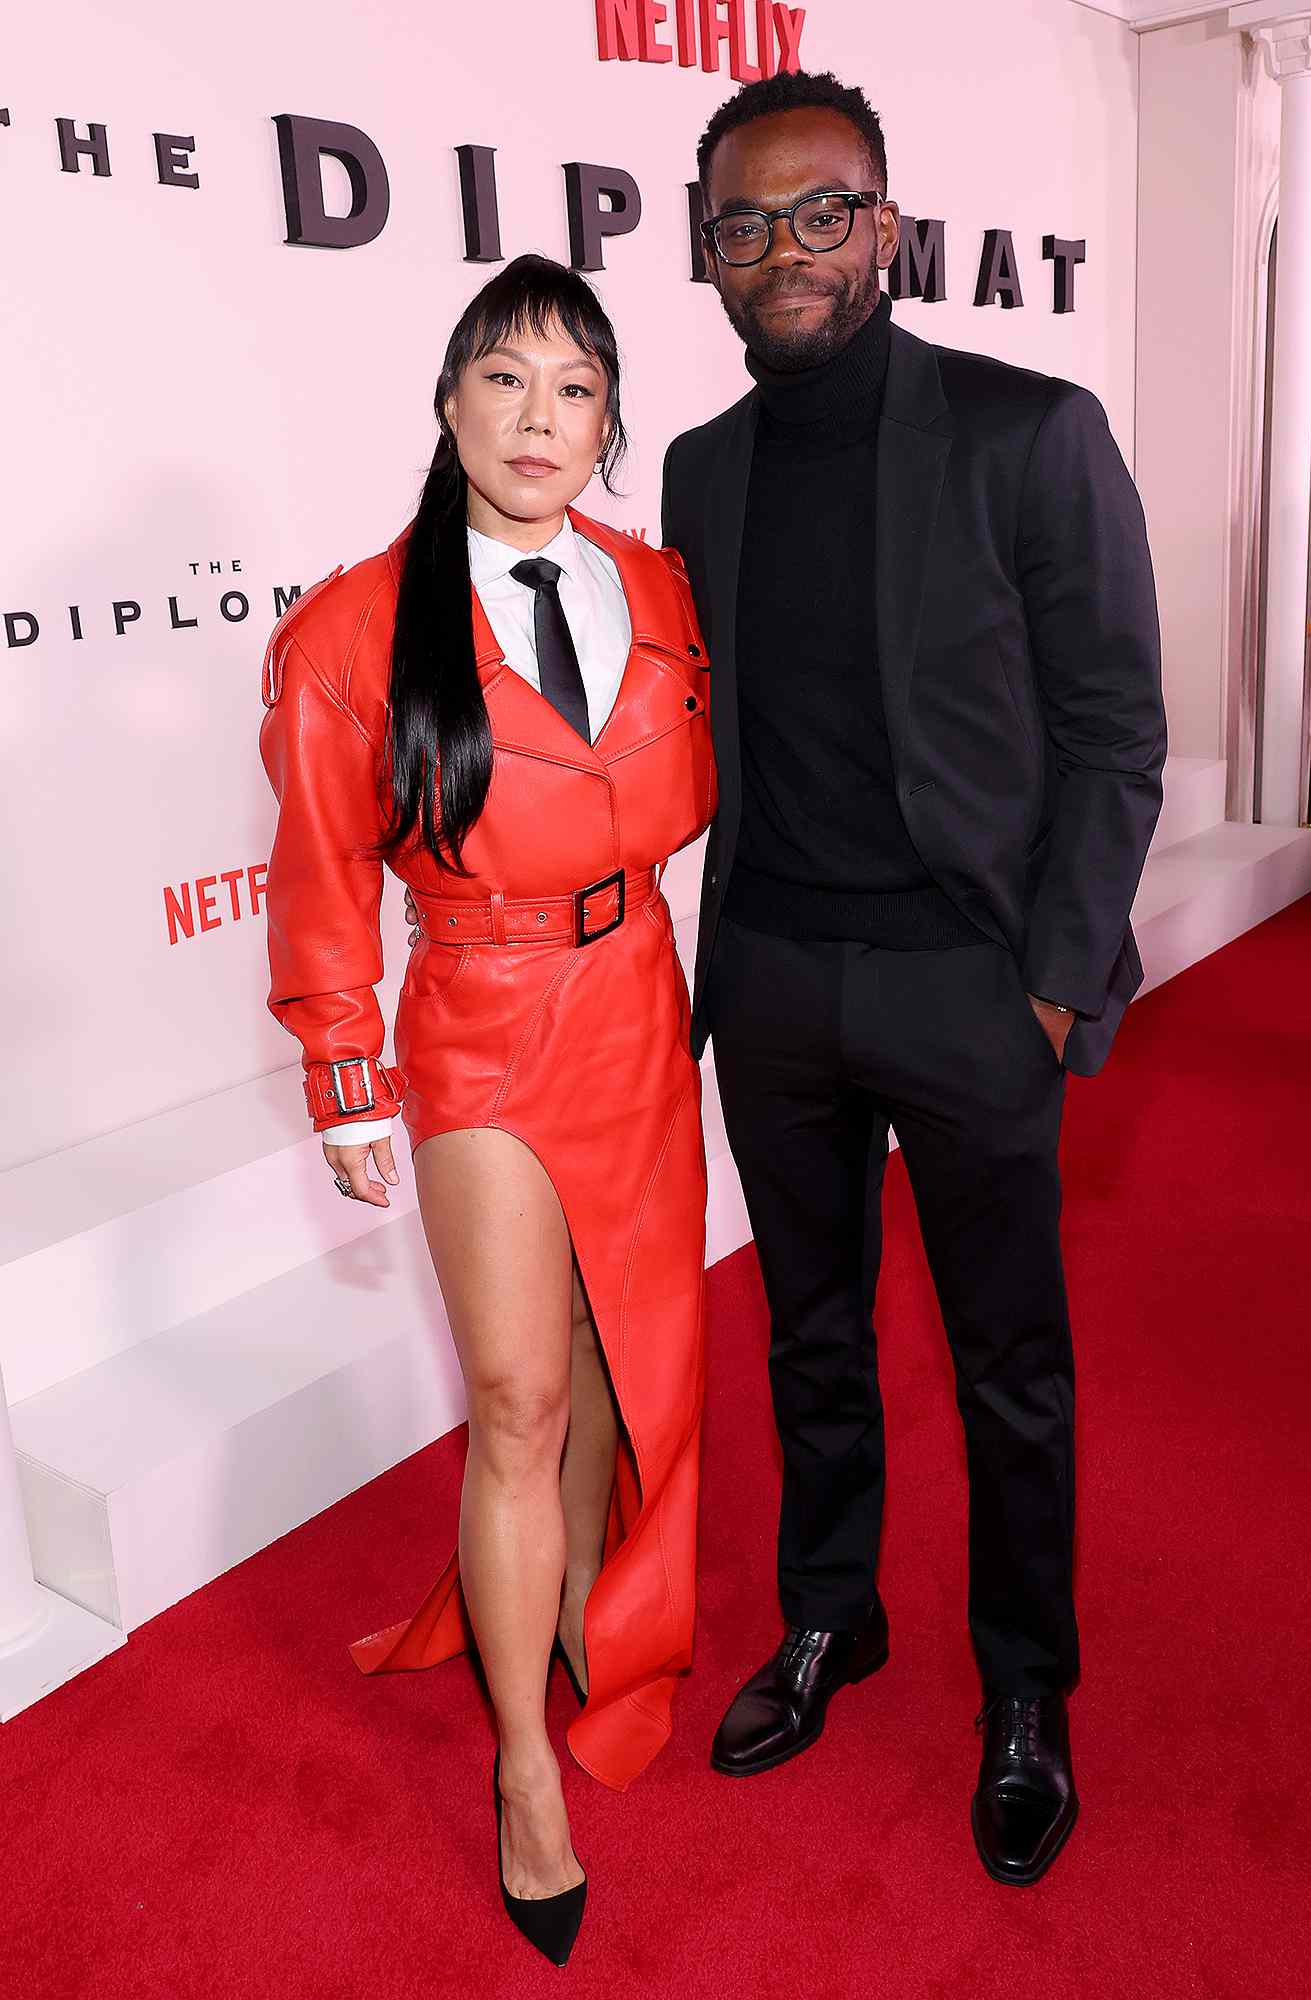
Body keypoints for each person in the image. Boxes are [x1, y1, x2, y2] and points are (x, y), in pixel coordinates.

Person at [662, 71, 1166, 1885]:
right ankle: (830, 1616)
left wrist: (1048, 975)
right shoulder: (698, 469)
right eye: (746, 222)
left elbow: (1115, 732)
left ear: (884, 228)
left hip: (967, 986)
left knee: (1006, 1366)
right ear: (706, 249)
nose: (783, 250)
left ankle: (1024, 1690)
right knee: (808, 1338)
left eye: (819, 214)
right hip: (777, 980)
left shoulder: (1026, 432)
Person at [259, 253, 715, 1966]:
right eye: (505, 380)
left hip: (639, 1004)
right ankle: (525, 1770)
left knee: (610, 1349)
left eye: (576, 388)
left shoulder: (662, 585)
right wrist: (340, 1067)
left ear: (609, 425)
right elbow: (318, 875)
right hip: (477, 1020)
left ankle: (600, 1616)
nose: (541, 419)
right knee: (520, 1394)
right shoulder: (353, 629)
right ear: (447, 404)